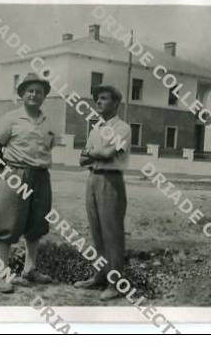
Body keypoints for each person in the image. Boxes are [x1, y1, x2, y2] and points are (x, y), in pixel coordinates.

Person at [0, 72, 56, 293]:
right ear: (22, 95)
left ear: (44, 96)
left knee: (37, 224)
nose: (34, 95)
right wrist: (7, 173)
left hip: (41, 176)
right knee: (7, 224)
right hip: (16, 173)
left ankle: (30, 269)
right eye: (30, 91)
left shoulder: (48, 122)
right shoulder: (11, 118)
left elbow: (49, 147)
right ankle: (3, 274)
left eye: (39, 92)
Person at [74, 85, 131, 301]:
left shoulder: (123, 128)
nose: (98, 102)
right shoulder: (95, 129)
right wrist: (97, 154)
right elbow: (81, 160)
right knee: (96, 231)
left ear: (116, 103)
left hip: (111, 180)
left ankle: (116, 283)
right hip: (93, 179)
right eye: (97, 98)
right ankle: (100, 275)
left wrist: (93, 153)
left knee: (112, 233)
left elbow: (109, 155)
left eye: (104, 98)